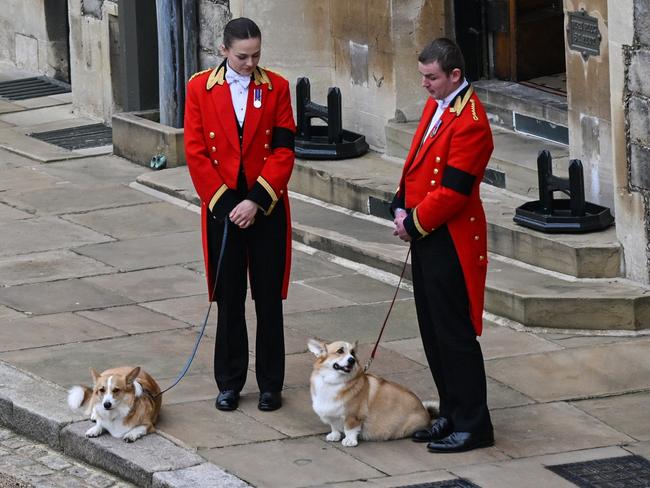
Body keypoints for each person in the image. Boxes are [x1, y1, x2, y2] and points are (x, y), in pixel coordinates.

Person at [184, 17, 295, 412]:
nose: (251, 64)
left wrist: (256, 201)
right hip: (223, 209)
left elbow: (283, 150)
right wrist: (228, 204)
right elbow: (195, 152)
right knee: (229, 297)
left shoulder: (277, 87)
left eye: (257, 55)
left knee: (268, 299)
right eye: (243, 56)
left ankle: (270, 384)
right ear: (224, 51)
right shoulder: (199, 87)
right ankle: (230, 382)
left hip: (264, 206)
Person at [391, 38, 494, 453]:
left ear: (454, 75)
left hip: (450, 239)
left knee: (454, 334)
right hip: (427, 234)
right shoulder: (438, 105)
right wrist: (400, 204)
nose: (424, 85)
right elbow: (416, 162)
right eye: (422, 76)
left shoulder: (471, 120)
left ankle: (474, 423)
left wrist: (412, 224)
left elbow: (453, 192)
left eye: (431, 77)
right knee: (432, 331)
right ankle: (451, 411)